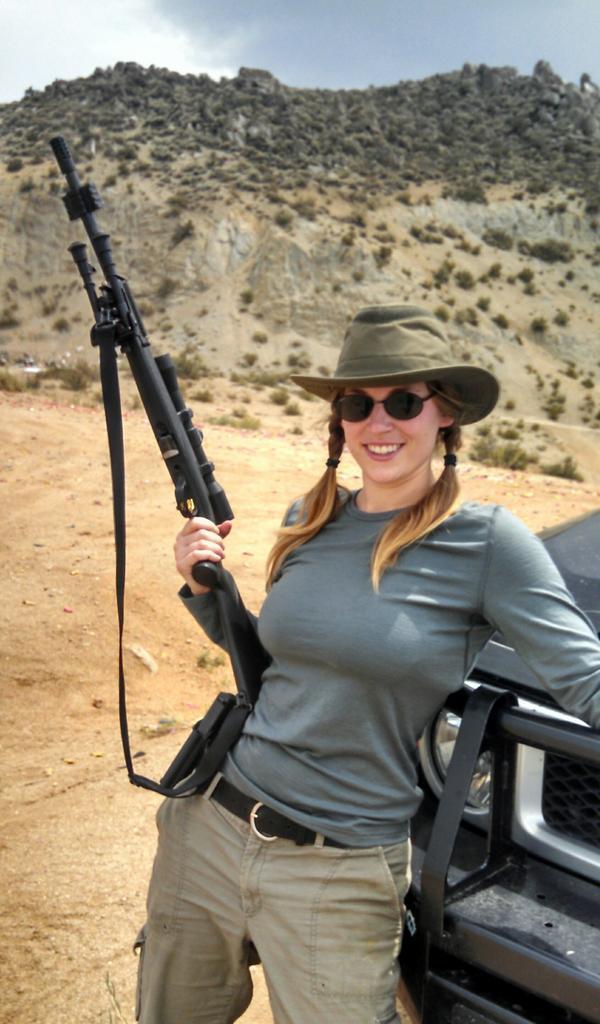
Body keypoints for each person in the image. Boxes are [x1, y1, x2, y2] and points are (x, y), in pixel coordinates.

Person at [135, 305, 600, 1024]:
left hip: (339, 867)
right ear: (340, 420)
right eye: (358, 403)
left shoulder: (488, 544)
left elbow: (586, 681)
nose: (378, 423)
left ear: (445, 413)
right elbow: (278, 669)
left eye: (403, 402)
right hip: (211, 828)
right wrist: (205, 591)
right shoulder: (309, 517)